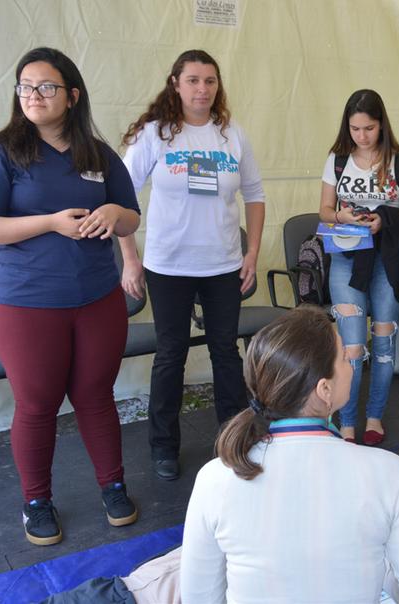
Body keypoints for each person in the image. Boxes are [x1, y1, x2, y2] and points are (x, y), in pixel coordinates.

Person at [0, 47, 141, 545]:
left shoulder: (97, 154)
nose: (33, 95)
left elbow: (130, 215)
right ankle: (36, 502)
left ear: (73, 95)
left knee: (95, 397)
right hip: (28, 305)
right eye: (25, 87)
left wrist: (112, 216)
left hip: (97, 301)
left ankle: (114, 487)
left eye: (46, 87)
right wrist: (50, 223)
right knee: (37, 404)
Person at [180, 306, 399, 603]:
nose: (352, 363)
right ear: (325, 389)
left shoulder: (215, 477)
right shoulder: (389, 472)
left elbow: (197, 597)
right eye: (345, 357)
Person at [117, 49, 266, 481]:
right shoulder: (155, 135)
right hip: (169, 266)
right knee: (171, 355)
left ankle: (234, 440)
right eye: (194, 80)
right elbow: (120, 201)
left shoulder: (231, 135)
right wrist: (131, 260)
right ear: (176, 84)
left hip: (223, 264)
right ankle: (164, 447)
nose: (203, 89)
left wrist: (252, 253)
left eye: (210, 81)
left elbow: (255, 196)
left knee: (225, 352)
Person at [318, 89, 399, 445]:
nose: (362, 136)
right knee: (351, 346)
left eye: (369, 128)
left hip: (389, 259)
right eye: (355, 129)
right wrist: (340, 215)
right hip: (348, 256)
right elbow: (324, 211)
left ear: (382, 125)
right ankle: (347, 422)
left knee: (382, 340)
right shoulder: (337, 159)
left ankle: (374, 417)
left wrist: (383, 219)